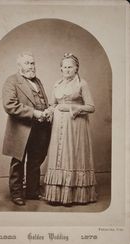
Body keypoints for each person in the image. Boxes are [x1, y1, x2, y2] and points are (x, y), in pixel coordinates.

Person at [44, 53, 97, 206]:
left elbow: (91, 107)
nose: (67, 70)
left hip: (76, 126)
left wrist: (71, 108)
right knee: (58, 157)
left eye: (70, 67)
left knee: (72, 156)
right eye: (64, 67)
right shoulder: (57, 84)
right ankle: (55, 196)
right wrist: (50, 111)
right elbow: (53, 104)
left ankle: (72, 196)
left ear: (76, 68)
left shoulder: (82, 84)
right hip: (58, 127)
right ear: (61, 69)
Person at [2, 52, 51, 206]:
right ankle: (16, 193)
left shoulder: (38, 81)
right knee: (18, 161)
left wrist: (48, 112)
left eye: (33, 63)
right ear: (19, 66)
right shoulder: (12, 81)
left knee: (35, 160)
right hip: (22, 128)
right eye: (27, 63)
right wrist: (34, 113)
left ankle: (32, 191)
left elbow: (43, 101)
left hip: (40, 127)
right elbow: (10, 105)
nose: (31, 66)